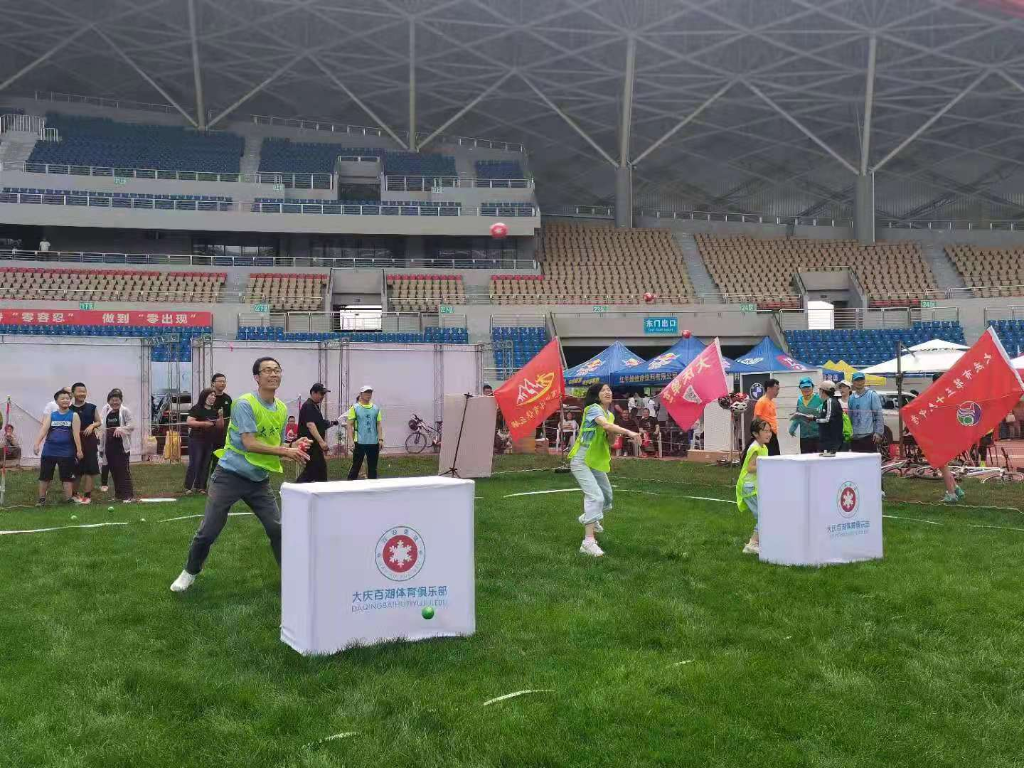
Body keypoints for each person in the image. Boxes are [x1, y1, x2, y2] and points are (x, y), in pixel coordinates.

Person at [170, 357, 311, 593]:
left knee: (277, 529)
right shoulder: (244, 404)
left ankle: (291, 578)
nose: (273, 374)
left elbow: (273, 444)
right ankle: (189, 572)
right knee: (208, 531)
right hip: (229, 477)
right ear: (257, 377)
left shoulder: (281, 408)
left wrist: (293, 444)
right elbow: (249, 443)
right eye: (267, 370)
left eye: (277, 370)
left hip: (259, 481)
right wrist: (286, 451)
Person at [568, 383, 641, 557]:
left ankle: (589, 517)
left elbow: (609, 441)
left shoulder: (610, 415)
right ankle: (588, 542)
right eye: (603, 390)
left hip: (595, 460)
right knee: (595, 497)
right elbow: (605, 426)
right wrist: (629, 432)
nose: (608, 392)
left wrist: (613, 433)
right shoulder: (593, 409)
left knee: (607, 497)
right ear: (596, 395)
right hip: (581, 459)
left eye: (609, 390)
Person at [33, 388, 83, 506]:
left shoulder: (74, 415)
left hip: (67, 452)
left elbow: (76, 434)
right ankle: (41, 499)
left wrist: (79, 450)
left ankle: (68, 499)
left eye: (67, 398)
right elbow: (43, 430)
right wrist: (36, 444)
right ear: (56, 401)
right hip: (49, 451)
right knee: (45, 476)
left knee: (67, 477)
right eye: (62, 398)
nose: (65, 400)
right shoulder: (52, 415)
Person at [737, 417, 773, 555]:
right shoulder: (755, 448)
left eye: (769, 431)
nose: (769, 434)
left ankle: (759, 541)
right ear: (755, 434)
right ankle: (752, 544)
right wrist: (766, 466)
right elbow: (750, 468)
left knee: (764, 514)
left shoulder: (763, 447)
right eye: (765, 431)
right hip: (749, 487)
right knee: (763, 515)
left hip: (754, 486)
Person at [931, 373, 965, 504]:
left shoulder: (937, 396)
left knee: (942, 465)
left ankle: (951, 494)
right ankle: (956, 489)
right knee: (943, 465)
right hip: (946, 434)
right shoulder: (949, 394)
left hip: (940, 434)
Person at [297, 383, 339, 484]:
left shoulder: (314, 406)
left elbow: (319, 423)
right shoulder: (308, 406)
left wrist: (332, 423)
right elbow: (310, 425)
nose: (322, 397)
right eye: (321, 394)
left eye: (323, 394)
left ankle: (322, 489)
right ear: (313, 393)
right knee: (312, 470)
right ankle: (294, 488)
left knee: (320, 470)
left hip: (315, 445)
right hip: (310, 444)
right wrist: (321, 442)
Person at [99, 388, 135, 502]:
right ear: (108, 401)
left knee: (123, 471)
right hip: (109, 446)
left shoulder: (125, 411)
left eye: (117, 400)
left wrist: (121, 429)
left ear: (121, 400)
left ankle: (128, 496)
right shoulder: (107, 411)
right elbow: (102, 427)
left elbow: (131, 426)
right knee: (114, 470)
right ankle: (118, 495)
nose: (115, 402)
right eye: (112, 400)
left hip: (121, 446)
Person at [184, 387, 219, 494]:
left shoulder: (214, 410)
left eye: (214, 395)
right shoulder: (196, 408)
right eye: (211, 395)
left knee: (206, 463)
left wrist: (221, 416)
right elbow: (189, 422)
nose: (213, 397)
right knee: (195, 462)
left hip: (209, 439)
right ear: (204, 396)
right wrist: (204, 424)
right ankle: (188, 487)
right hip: (196, 439)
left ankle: (201, 487)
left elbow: (219, 425)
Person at [70, 382, 101, 504]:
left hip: (89, 440)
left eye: (84, 391)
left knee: (90, 468)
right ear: (73, 393)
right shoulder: (69, 409)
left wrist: (92, 425)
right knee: (76, 469)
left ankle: (87, 495)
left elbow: (99, 421)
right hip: (74, 441)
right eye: (79, 391)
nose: (82, 393)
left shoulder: (92, 407)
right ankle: (74, 494)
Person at [346, 385, 383, 480]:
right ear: (361, 394)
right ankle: (349, 485)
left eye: (370, 392)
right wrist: (351, 441)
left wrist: (380, 439)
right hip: (359, 442)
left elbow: (379, 424)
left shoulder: (376, 408)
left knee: (373, 468)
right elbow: (349, 425)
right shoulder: (355, 408)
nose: (368, 394)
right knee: (356, 466)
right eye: (366, 392)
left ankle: (372, 486)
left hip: (373, 442)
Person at [848, 372, 883, 454]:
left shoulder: (872, 395)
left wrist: (878, 433)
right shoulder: (851, 398)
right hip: (854, 437)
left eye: (861, 380)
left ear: (864, 381)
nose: (859, 382)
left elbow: (878, 414)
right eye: (857, 380)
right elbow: (850, 417)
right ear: (853, 382)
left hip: (868, 436)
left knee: (869, 461)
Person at [789, 377, 821, 454]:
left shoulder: (819, 398)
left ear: (812, 387)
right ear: (800, 388)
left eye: (808, 387)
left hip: (818, 435)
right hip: (804, 436)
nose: (806, 389)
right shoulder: (799, 400)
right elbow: (797, 415)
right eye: (803, 387)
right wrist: (792, 428)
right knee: (806, 458)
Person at [207, 373, 232, 476]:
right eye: (220, 381)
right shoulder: (208, 397)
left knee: (219, 461)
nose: (222, 383)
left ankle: (215, 480)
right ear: (213, 383)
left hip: (222, 436)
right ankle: (201, 483)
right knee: (205, 462)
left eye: (224, 381)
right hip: (208, 435)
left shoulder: (227, 398)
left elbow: (230, 416)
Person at [811, 381, 844, 456]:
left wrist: (814, 418)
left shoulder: (830, 401)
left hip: (832, 441)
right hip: (829, 440)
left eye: (820, 390)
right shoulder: (830, 401)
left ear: (823, 391)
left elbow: (827, 419)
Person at [753, 378, 781, 456]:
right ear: (768, 389)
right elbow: (755, 419)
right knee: (768, 456)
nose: (778, 391)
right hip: (765, 434)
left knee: (775, 456)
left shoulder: (772, 402)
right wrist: (758, 435)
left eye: (778, 389)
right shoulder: (762, 401)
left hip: (772, 433)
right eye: (776, 389)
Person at [837, 381, 854, 450]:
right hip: (841, 434)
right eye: (840, 387)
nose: (842, 389)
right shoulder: (837, 402)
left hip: (854, 434)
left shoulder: (854, 401)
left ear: (850, 389)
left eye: (844, 387)